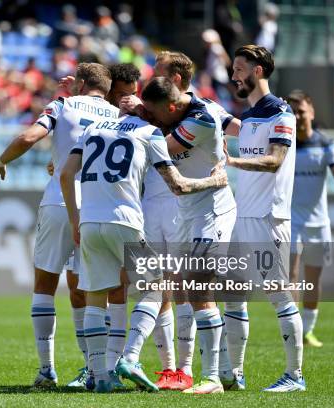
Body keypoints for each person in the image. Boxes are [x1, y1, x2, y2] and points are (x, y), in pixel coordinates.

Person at [60, 96, 228, 393]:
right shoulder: (149, 132)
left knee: (97, 297)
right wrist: (214, 182)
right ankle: (131, 358)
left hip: (88, 221)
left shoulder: (92, 128)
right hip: (125, 220)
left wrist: (75, 218)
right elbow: (177, 185)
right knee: (156, 286)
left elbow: (64, 172)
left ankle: (100, 377)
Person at [0, 63, 119, 388]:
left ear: (82, 82)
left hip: (61, 202)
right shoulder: (118, 115)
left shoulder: (63, 104)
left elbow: (28, 136)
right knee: (87, 290)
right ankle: (93, 370)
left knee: (45, 285)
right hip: (99, 209)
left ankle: (47, 371)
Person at [124, 51, 242, 391]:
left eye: (156, 112)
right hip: (188, 211)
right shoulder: (176, 110)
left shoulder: (202, 118)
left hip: (214, 209)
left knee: (198, 283)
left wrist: (139, 117)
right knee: (190, 289)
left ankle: (212, 377)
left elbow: (164, 148)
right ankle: (220, 374)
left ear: (172, 106)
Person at [225, 44, 305, 392]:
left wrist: (232, 162)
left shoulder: (281, 113)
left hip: (269, 218)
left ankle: (295, 376)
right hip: (243, 217)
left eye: (239, 69)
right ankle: (235, 373)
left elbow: (274, 161)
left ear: (258, 71)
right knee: (233, 294)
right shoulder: (250, 116)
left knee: (278, 294)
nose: (233, 76)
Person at [287, 89, 334, 348]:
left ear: (311, 112)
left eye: (301, 111)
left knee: (313, 279)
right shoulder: (284, 145)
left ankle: (307, 330)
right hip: (290, 221)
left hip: (318, 223)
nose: (297, 116)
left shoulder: (325, 143)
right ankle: (292, 331)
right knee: (291, 277)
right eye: (292, 112)